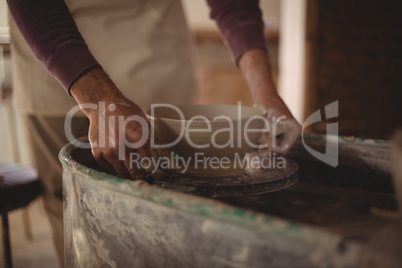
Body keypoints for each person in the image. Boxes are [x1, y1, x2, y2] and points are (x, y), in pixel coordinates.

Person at [6, 0, 300, 265]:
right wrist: (96, 97)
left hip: (157, 61)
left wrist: (264, 90)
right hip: (57, 70)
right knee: (76, 214)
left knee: (166, 216)